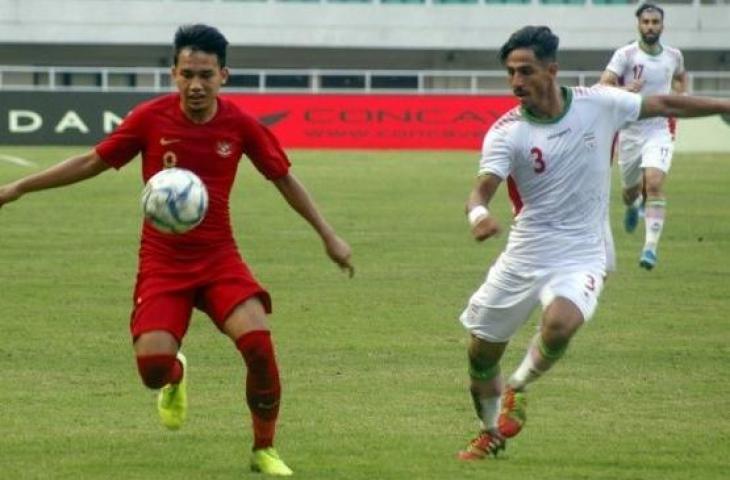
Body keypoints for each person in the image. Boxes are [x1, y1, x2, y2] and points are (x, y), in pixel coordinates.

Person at [0, 24, 354, 476]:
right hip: (164, 264)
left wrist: (328, 235)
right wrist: (18, 188)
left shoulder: (240, 125)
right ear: (173, 73)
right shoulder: (151, 118)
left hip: (219, 259)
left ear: (224, 75)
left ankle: (263, 448)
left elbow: (284, 177)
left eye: (206, 74)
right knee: (151, 367)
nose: (196, 85)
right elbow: (93, 160)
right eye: (187, 74)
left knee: (259, 345)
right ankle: (174, 375)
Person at [457, 25, 730, 461]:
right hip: (526, 252)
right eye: (510, 73)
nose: (516, 82)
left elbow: (665, 102)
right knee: (480, 357)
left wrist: (723, 105)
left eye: (525, 71)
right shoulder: (506, 132)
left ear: (552, 70)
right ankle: (491, 433)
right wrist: (479, 214)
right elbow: (481, 189)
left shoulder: (598, 104)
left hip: (582, 250)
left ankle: (519, 386)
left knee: (561, 323)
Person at [599, 3, 688, 270]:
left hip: (659, 130)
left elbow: (681, 77)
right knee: (630, 192)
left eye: (655, 22)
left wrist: (680, 97)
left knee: (655, 184)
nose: (650, 26)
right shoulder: (625, 55)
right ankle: (633, 204)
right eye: (646, 22)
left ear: (662, 25)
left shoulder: (674, 55)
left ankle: (650, 247)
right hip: (630, 131)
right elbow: (604, 84)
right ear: (638, 24)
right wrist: (627, 89)